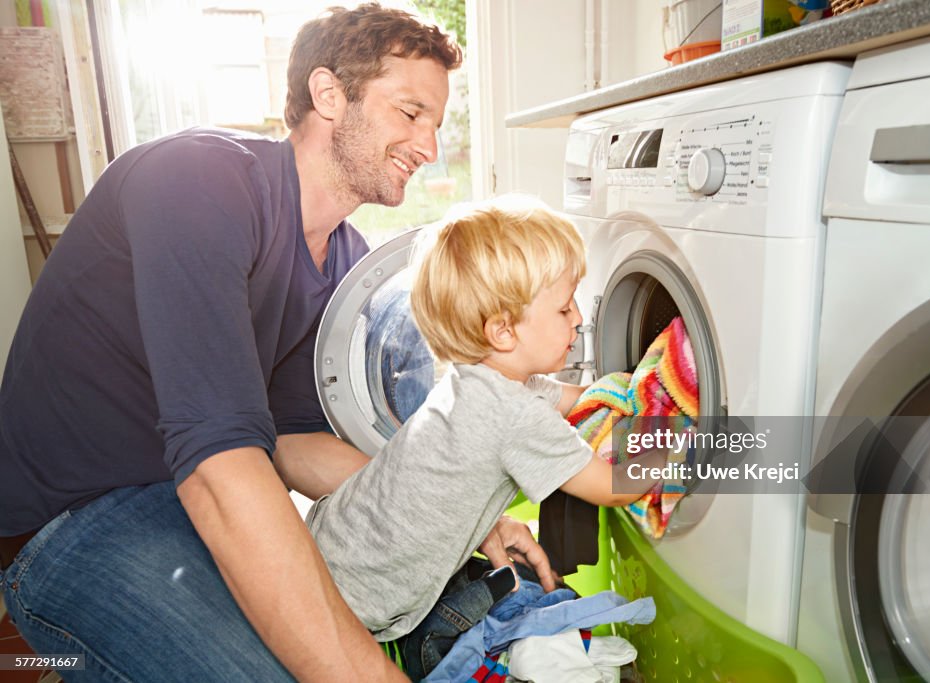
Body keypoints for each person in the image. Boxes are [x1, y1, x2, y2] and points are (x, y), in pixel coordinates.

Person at [0, 5, 554, 681]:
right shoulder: (198, 183)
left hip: (182, 494)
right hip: (69, 520)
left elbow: (291, 444)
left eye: (436, 123)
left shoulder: (345, 260)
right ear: (328, 94)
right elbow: (219, 467)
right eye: (411, 114)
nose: (429, 145)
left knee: (379, 616)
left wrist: (453, 516)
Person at [307, 196, 647, 680]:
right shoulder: (512, 415)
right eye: (564, 306)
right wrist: (668, 430)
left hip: (326, 543)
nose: (577, 319)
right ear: (503, 331)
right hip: (352, 599)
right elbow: (617, 486)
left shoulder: (483, 381)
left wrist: (634, 387)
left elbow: (582, 396)